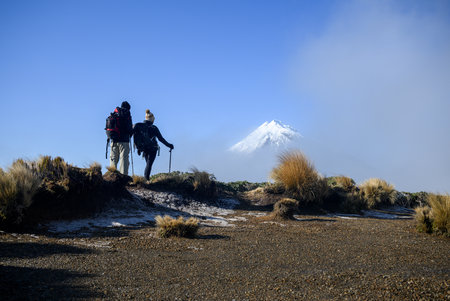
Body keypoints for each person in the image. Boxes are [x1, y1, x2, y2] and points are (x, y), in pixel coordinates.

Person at [137, 109, 174, 180]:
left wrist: (139, 148)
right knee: (149, 164)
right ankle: (146, 179)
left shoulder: (141, 126)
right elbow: (161, 139)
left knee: (148, 163)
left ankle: (146, 179)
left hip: (144, 148)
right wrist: (169, 145)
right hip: (152, 148)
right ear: (152, 119)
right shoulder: (154, 128)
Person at [110, 101, 133, 175]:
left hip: (113, 140)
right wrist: (132, 132)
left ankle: (112, 176)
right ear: (128, 108)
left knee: (113, 160)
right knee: (123, 160)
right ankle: (124, 178)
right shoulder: (127, 113)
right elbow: (129, 128)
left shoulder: (115, 113)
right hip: (124, 141)